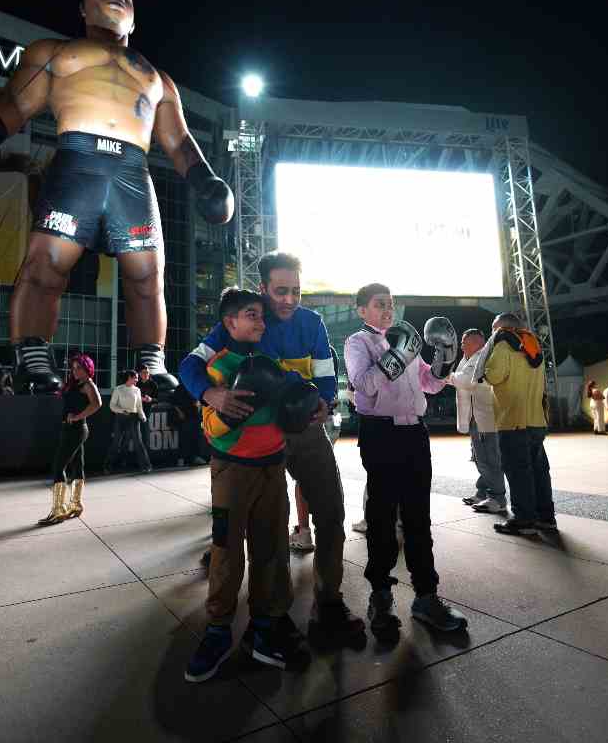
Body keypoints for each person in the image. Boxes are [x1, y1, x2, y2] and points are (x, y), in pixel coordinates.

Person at [0, 0, 232, 395]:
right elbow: (16, 102)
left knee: (148, 274)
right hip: (78, 163)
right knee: (45, 264)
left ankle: (151, 362)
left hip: (132, 172)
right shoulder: (55, 52)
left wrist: (207, 180)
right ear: (81, 8)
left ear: (135, 16)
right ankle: (33, 359)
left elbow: (179, 141)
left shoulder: (159, 79)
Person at [181, 252, 364, 647]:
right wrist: (211, 393)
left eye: (296, 291)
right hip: (260, 440)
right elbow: (189, 366)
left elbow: (327, 377)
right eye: (280, 291)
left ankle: (328, 602)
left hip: (306, 431)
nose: (289, 299)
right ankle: (273, 617)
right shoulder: (246, 319)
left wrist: (324, 402)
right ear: (263, 289)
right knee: (269, 533)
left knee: (331, 511)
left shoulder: (312, 324)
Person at [182, 288, 308, 683]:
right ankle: (218, 630)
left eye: (261, 316)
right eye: (251, 315)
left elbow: (295, 386)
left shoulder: (268, 360)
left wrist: (313, 402)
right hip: (231, 473)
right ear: (229, 322)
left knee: (271, 550)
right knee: (225, 550)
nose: (260, 321)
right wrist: (209, 393)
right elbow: (187, 371)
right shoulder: (215, 365)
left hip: (272, 470)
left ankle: (263, 629)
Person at [344, 283, 467, 638]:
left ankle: (426, 597)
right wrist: (397, 356)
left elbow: (429, 383)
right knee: (381, 517)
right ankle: (380, 596)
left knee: (418, 517)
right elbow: (364, 385)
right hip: (380, 433)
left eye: (391, 304)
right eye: (379, 304)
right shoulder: (358, 342)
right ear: (361, 310)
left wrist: (445, 357)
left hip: (415, 433)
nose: (387, 309)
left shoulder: (404, 337)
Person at [484, 313, 555, 536]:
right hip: (536, 420)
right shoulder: (534, 348)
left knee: (518, 472)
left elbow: (493, 377)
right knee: (538, 471)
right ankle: (546, 518)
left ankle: (524, 520)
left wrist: (486, 365)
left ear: (503, 329)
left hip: (512, 420)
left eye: (494, 329)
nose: (492, 334)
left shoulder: (503, 347)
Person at [38, 354, 102, 526]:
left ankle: (58, 511)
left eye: (78, 368)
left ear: (87, 368)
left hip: (76, 429)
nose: (74, 371)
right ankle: (75, 504)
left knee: (59, 467)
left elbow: (97, 404)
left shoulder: (88, 384)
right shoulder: (77, 384)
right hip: (73, 429)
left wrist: (77, 417)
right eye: (73, 368)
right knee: (77, 466)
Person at [447, 328, 505, 513]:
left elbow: (467, 381)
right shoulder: (468, 360)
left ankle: (497, 498)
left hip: (486, 418)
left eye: (465, 341)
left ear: (477, 342)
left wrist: (443, 375)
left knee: (489, 459)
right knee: (480, 457)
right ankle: (482, 493)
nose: (462, 344)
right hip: (475, 417)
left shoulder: (483, 357)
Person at [106, 369, 151, 473]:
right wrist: (122, 411)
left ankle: (146, 466)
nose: (137, 379)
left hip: (134, 418)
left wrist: (142, 416)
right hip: (120, 418)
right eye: (135, 377)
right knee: (116, 442)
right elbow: (112, 405)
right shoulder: (118, 389)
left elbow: (139, 406)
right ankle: (108, 466)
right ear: (129, 378)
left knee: (138, 442)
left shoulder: (137, 390)